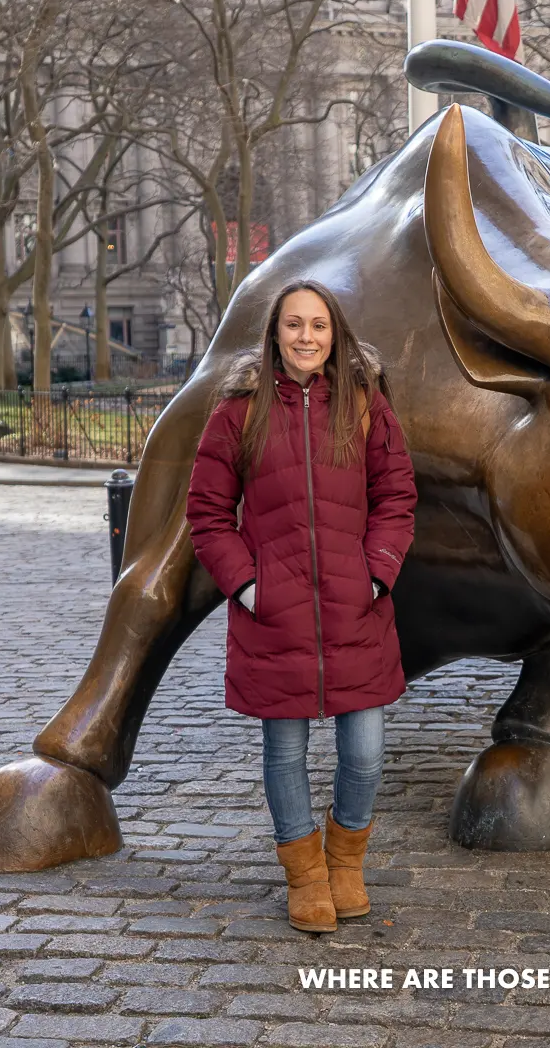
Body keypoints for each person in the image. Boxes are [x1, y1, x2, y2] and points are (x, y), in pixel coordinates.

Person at [186, 280, 417, 935]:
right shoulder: (239, 410)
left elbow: (397, 496)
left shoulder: (366, 404)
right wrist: (248, 587)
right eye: (295, 325)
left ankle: (345, 864)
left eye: (319, 325)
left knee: (365, 754)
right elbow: (206, 513)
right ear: (276, 333)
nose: (307, 337)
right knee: (285, 754)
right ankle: (306, 877)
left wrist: (376, 576)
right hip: (274, 615)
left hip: (356, 609)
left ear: (334, 333)